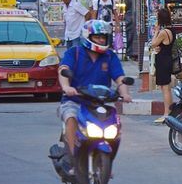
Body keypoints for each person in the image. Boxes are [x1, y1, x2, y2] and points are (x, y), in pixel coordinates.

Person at [57, 20, 132, 172]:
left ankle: (105, 163)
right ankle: (72, 160)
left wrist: (125, 94)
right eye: (98, 37)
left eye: (103, 37)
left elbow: (119, 78)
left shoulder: (110, 56)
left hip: (99, 103)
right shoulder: (75, 53)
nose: (101, 40)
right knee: (71, 118)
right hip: (74, 101)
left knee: (114, 125)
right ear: (88, 36)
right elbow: (63, 69)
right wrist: (66, 87)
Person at [151, 8, 176, 124]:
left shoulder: (163, 32)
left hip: (163, 61)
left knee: (165, 88)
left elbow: (153, 43)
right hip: (166, 59)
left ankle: (167, 113)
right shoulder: (171, 30)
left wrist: (156, 31)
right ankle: (169, 113)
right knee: (166, 88)